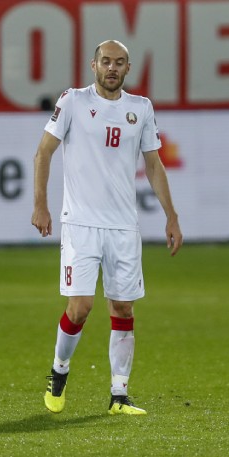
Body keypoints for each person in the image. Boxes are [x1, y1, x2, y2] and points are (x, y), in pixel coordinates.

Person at [31, 40, 183, 416]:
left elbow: (153, 165)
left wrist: (171, 215)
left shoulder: (140, 108)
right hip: (80, 223)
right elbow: (44, 151)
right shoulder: (73, 101)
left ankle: (119, 395)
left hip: (123, 226)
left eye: (119, 62)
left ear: (128, 68)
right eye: (105, 62)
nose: (111, 68)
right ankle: (59, 371)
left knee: (124, 308)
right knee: (80, 307)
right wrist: (40, 204)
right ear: (93, 65)